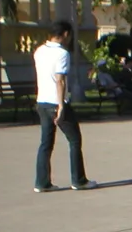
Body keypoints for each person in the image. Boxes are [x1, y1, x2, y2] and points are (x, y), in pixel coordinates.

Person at [33, 20, 96, 192]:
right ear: (66, 34)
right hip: (56, 102)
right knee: (74, 140)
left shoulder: (39, 51)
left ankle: (42, 182)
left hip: (42, 101)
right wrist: (61, 105)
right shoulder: (62, 53)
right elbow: (59, 80)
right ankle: (78, 180)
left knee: (46, 143)